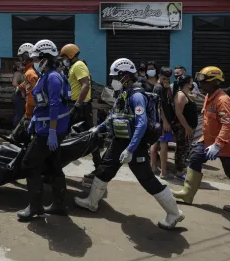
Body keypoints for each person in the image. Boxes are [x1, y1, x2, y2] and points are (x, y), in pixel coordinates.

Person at [74, 58, 185, 230]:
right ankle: (91, 202)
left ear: (125, 76)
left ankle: (174, 213)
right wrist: (97, 128)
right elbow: (113, 115)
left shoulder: (137, 95)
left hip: (134, 145)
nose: (114, 81)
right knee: (104, 169)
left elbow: (141, 124)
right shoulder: (123, 93)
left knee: (147, 179)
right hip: (119, 141)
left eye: (116, 77)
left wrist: (131, 149)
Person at [172, 66, 230, 213]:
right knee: (195, 158)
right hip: (207, 141)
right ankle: (187, 194)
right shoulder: (209, 96)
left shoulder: (223, 100)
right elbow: (209, 122)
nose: (201, 84)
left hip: (225, 144)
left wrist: (218, 144)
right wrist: (203, 140)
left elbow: (228, 125)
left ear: (215, 82)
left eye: (205, 81)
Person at [17, 39, 70, 220]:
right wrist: (35, 120)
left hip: (50, 131)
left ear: (46, 58)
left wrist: (53, 132)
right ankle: (59, 205)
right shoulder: (48, 75)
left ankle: (35, 207)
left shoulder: (53, 77)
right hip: (46, 127)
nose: (36, 62)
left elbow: (55, 105)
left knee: (28, 163)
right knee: (54, 165)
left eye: (38, 58)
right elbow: (42, 104)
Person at [59, 43, 101, 180]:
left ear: (70, 55)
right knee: (87, 135)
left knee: (68, 134)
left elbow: (85, 85)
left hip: (80, 106)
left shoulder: (78, 66)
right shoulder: (73, 67)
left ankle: (55, 169)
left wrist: (77, 105)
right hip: (76, 105)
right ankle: (99, 167)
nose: (63, 59)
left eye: (64, 57)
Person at [150, 67, 175, 179]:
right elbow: (159, 107)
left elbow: (170, 100)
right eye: (164, 78)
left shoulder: (164, 87)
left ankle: (153, 167)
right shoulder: (158, 88)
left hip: (162, 120)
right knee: (163, 145)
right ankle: (163, 172)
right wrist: (165, 122)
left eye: (168, 78)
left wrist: (168, 88)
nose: (166, 80)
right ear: (159, 75)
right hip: (161, 121)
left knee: (155, 145)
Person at [11, 43, 38, 143]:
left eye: (21, 58)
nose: (20, 61)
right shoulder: (29, 72)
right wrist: (20, 87)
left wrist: (28, 114)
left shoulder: (30, 73)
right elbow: (26, 84)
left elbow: (33, 96)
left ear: (26, 57)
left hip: (32, 113)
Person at [173, 75, 198, 180]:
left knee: (185, 149)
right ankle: (179, 171)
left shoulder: (186, 94)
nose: (193, 84)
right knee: (181, 149)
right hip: (183, 128)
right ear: (187, 83)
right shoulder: (181, 95)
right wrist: (187, 127)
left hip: (188, 127)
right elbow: (179, 113)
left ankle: (182, 169)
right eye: (191, 82)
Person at [11, 62, 26, 128]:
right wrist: (22, 91)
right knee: (19, 113)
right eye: (21, 66)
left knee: (20, 113)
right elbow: (14, 83)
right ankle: (15, 130)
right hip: (18, 96)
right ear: (17, 68)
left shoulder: (21, 73)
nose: (23, 66)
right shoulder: (18, 73)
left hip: (19, 96)